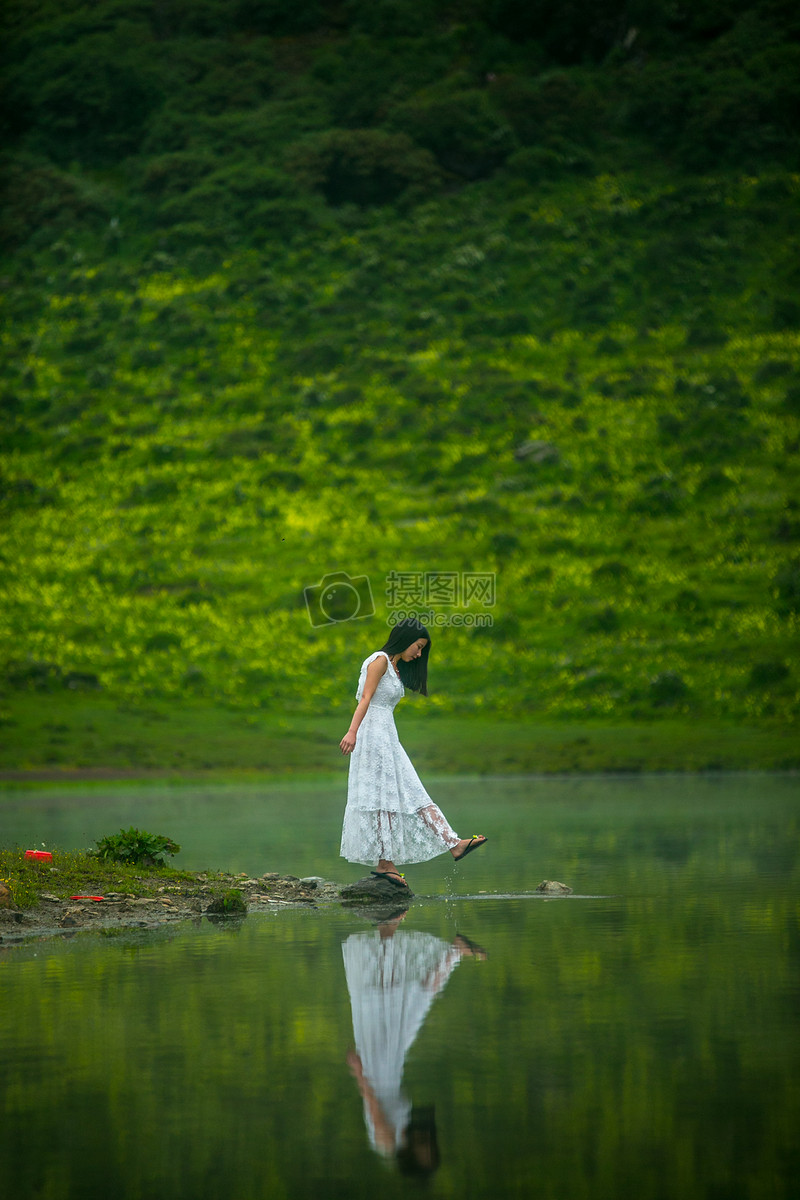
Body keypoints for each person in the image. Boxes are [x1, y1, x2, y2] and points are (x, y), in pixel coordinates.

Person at [339, 618, 487, 890]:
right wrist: (352, 732)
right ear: (405, 638)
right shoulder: (380, 661)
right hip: (373, 738)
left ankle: (453, 844)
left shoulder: (394, 667)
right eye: (418, 647)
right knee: (384, 799)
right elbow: (365, 699)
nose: (418, 654)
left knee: (410, 791)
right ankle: (387, 864)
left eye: (421, 650)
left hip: (387, 738)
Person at [343, 915, 487, 1172]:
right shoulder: (402, 1136)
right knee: (414, 999)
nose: (428, 1147)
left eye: (426, 1155)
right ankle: (452, 950)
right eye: (431, 1151)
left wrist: (358, 1072)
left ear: (413, 1161)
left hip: (378, 1063)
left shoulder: (388, 1143)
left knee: (393, 992)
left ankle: (391, 925)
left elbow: (372, 1106)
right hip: (390, 1061)